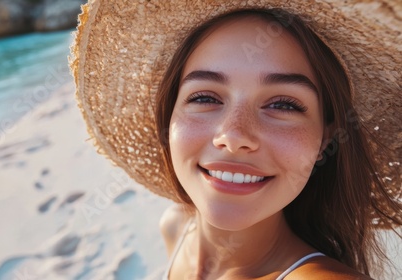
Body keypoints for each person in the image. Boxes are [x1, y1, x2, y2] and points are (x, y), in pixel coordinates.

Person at [70, 1, 401, 279]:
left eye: (283, 104)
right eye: (204, 98)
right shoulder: (175, 227)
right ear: (169, 116)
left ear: (325, 138)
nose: (233, 136)